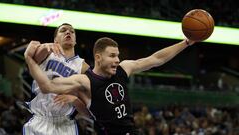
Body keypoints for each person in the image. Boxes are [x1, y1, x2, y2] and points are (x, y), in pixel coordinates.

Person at [24, 36, 195, 135]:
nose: (117, 60)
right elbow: (46, 86)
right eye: (112, 56)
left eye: (117, 55)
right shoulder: (85, 81)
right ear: (98, 58)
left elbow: (157, 59)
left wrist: (186, 42)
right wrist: (29, 60)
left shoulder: (123, 69)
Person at [23, 23, 89, 135]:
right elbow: (31, 58)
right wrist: (44, 46)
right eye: (63, 30)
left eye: (72, 31)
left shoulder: (83, 67)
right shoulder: (46, 53)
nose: (68, 32)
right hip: (39, 121)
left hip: (65, 125)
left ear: (75, 41)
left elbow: (88, 112)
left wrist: (74, 99)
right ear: (55, 39)